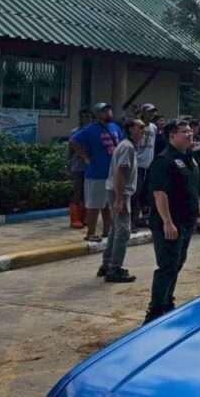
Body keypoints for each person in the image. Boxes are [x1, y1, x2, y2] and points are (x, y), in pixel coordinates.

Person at [145, 119, 200, 323]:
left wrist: (198, 214)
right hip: (170, 222)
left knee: (177, 263)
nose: (189, 134)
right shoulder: (164, 160)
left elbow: (192, 188)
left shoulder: (189, 158)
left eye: (190, 131)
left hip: (186, 221)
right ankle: (155, 311)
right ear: (172, 136)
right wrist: (167, 222)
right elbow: (159, 194)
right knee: (167, 265)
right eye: (184, 132)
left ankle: (167, 302)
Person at [70, 103, 123, 244]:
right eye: (104, 111)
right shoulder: (90, 129)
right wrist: (85, 157)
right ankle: (91, 233)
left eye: (109, 110)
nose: (108, 113)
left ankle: (107, 231)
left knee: (108, 205)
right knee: (94, 205)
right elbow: (74, 141)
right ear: (98, 114)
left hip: (112, 173)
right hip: (96, 173)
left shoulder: (115, 127)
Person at [99, 118, 144, 283]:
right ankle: (115, 268)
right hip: (120, 192)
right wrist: (119, 198)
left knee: (116, 229)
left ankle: (107, 264)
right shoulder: (127, 147)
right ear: (130, 129)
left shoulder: (128, 146)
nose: (143, 130)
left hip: (118, 191)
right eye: (140, 127)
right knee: (123, 231)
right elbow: (120, 172)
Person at [67, 108, 94, 229]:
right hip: (78, 166)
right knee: (77, 191)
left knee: (87, 193)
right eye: (84, 116)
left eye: (88, 116)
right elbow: (70, 150)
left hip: (91, 166)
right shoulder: (75, 132)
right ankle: (75, 218)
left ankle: (85, 217)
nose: (86, 118)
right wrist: (68, 164)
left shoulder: (94, 132)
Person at [133, 103, 158, 227]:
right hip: (138, 164)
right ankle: (133, 219)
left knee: (147, 193)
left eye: (153, 112)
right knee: (136, 192)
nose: (151, 114)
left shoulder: (153, 127)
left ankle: (145, 217)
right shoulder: (137, 126)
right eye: (149, 112)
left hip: (149, 164)